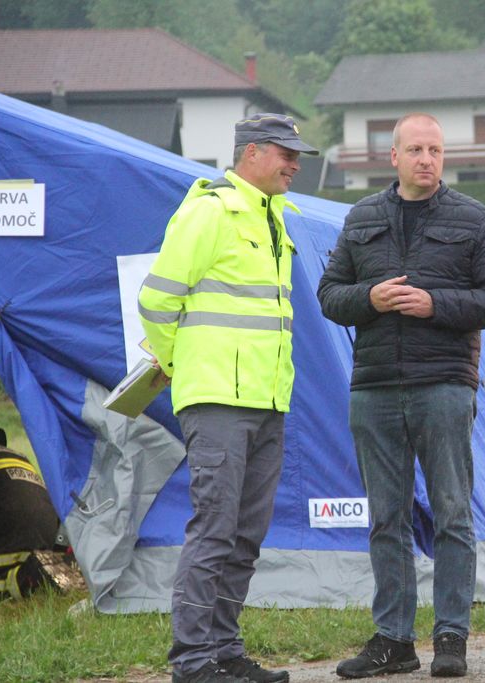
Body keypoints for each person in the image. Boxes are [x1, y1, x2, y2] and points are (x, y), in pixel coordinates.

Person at [317, 113, 485, 679]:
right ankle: (394, 641)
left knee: (452, 512)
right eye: (415, 149)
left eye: (435, 149)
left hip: (445, 385)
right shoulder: (361, 217)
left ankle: (451, 638)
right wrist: (370, 298)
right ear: (394, 157)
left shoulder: (473, 218)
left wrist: (437, 305)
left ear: (443, 156)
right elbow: (329, 295)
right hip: (374, 387)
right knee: (386, 518)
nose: (426, 159)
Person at [139, 113, 319, 683]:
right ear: (252, 153)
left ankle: (224, 651)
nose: (295, 166)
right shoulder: (209, 212)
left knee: (245, 536)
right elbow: (156, 300)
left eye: (297, 156)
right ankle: (193, 661)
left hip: (268, 401)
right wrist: (179, 365)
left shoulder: (275, 217)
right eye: (286, 154)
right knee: (215, 529)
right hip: (217, 399)